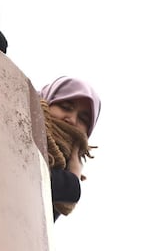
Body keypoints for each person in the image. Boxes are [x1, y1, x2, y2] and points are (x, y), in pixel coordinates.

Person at [40, 76, 101, 221]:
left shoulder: (63, 167)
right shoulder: (18, 125)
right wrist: (71, 182)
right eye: (65, 107)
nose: (72, 120)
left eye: (83, 119)